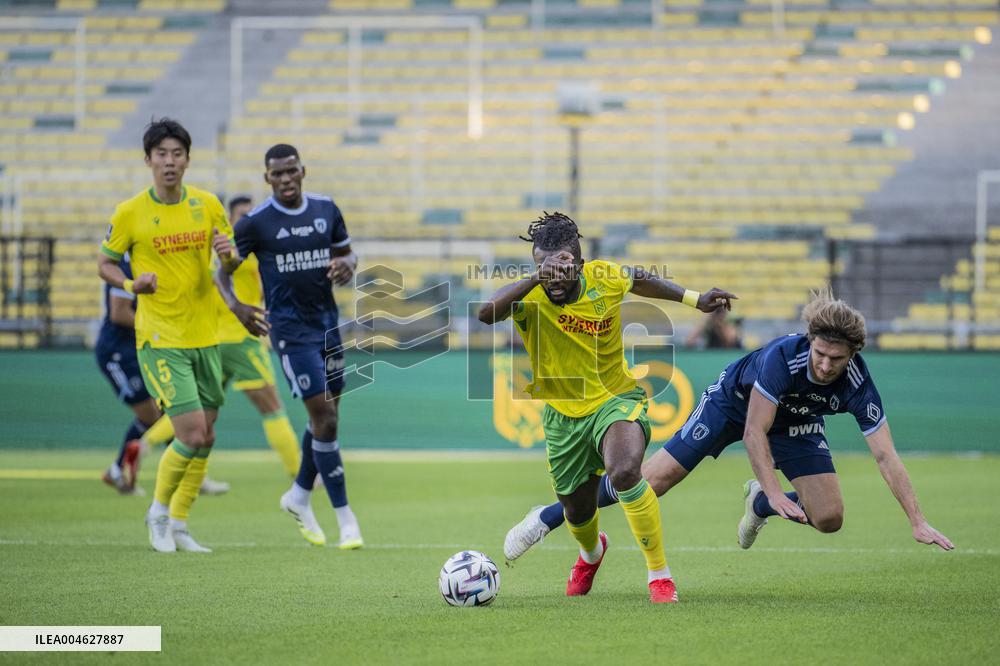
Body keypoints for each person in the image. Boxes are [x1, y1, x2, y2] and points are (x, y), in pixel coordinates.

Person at [504, 289, 954, 566]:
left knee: (830, 519)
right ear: (810, 341)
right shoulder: (784, 358)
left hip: (797, 420)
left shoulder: (858, 382)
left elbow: (885, 454)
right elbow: (755, 431)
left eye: (836, 359)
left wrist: (917, 520)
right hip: (734, 405)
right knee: (651, 484)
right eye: (820, 352)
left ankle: (759, 504)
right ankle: (546, 516)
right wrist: (777, 487)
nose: (824, 364)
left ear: (852, 354)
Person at [478, 211, 736, 604]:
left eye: (561, 267)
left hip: (615, 400)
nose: (553, 277)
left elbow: (642, 279)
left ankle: (659, 575)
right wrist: (535, 278)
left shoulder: (604, 277)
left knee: (625, 470)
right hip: (563, 416)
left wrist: (694, 299)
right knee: (578, 513)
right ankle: (591, 552)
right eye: (542, 266)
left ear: (578, 264)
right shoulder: (528, 294)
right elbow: (485, 314)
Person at [214, 144, 363, 550]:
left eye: (291, 171)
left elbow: (347, 258)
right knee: (325, 419)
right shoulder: (256, 223)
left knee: (328, 416)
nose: (285, 179)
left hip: (327, 326)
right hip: (289, 331)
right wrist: (238, 308)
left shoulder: (326, 210)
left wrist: (348, 267)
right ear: (267, 178)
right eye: (276, 174)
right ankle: (345, 518)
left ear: (303, 171)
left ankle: (298, 494)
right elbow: (222, 273)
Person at [98, 118, 236, 553]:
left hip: (205, 335)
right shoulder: (129, 212)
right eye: (162, 154)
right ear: (148, 160)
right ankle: (158, 513)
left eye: (177, 154)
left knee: (207, 436)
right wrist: (129, 285)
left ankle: (180, 523)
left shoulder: (208, 205)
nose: (170, 162)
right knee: (192, 433)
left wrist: (228, 260)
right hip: (159, 339)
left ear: (188, 160)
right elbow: (104, 263)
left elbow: (226, 267)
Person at [214, 195, 300, 478]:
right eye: (242, 214)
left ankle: (141, 445)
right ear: (229, 218)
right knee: (273, 407)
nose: (248, 219)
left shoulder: (218, 249)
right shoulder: (242, 252)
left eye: (251, 214)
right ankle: (302, 475)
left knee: (201, 409)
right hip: (242, 339)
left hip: (215, 340)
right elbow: (265, 290)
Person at [95, 252, 164, 494]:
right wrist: (157, 328)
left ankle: (117, 470)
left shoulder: (147, 260)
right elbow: (119, 313)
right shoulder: (125, 265)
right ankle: (117, 470)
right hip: (117, 353)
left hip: (137, 349)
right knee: (153, 415)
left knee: (161, 412)